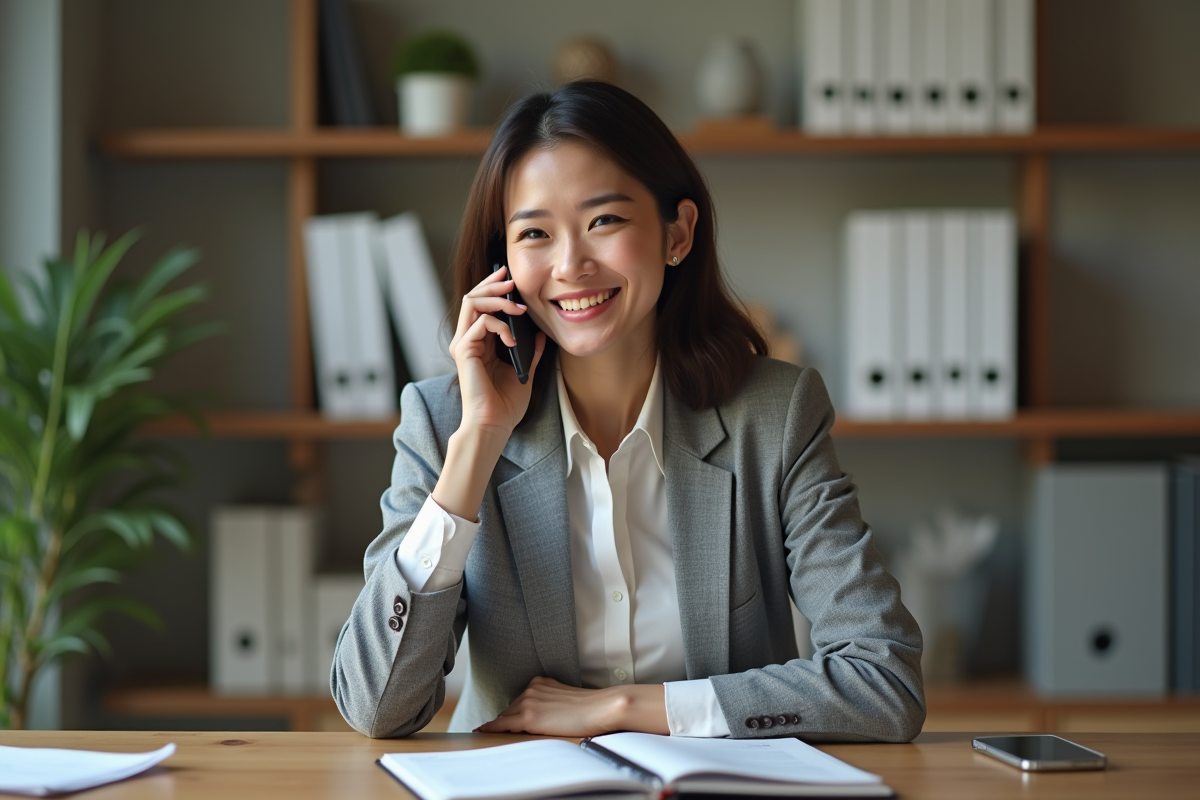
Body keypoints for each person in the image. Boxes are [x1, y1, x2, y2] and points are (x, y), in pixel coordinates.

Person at [331, 81, 924, 741]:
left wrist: (626, 710)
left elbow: (885, 682)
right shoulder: (446, 424)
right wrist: (477, 444)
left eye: (604, 221)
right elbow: (376, 709)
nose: (570, 265)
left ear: (678, 233)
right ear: (503, 265)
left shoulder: (776, 415)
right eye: (535, 233)